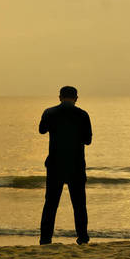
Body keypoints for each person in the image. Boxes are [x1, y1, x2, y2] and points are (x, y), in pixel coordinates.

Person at [38, 86, 92, 245]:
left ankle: (45, 239)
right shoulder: (82, 114)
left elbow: (42, 130)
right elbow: (88, 140)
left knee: (50, 204)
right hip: (76, 164)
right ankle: (82, 238)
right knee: (79, 205)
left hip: (55, 164)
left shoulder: (50, 112)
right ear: (76, 98)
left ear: (60, 97)